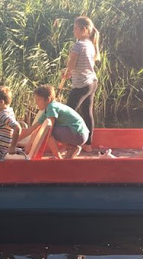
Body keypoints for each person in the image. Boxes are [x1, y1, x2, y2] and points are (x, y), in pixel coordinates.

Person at [18, 85, 89, 159]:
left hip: (78, 134)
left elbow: (49, 131)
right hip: (79, 134)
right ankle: (72, 148)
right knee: (44, 131)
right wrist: (16, 142)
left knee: (47, 133)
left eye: (39, 99)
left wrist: (30, 145)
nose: (36, 103)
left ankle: (59, 158)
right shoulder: (47, 110)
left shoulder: (51, 107)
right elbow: (33, 129)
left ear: (48, 99)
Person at [62, 16, 100, 153]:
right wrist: (70, 72)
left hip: (82, 85)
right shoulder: (90, 43)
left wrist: (67, 72)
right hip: (92, 83)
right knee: (87, 112)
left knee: (67, 114)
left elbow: (71, 63)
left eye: (75, 29)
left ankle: (68, 146)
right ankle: (88, 145)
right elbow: (82, 65)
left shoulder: (79, 45)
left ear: (84, 29)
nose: (74, 32)